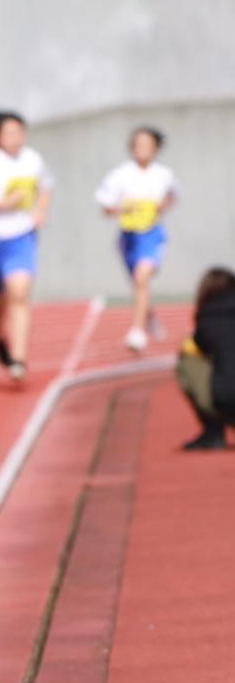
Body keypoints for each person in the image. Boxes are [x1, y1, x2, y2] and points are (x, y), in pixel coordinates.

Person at [0, 112, 53, 382]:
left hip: (22, 236)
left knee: (19, 291)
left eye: (18, 132)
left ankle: (18, 359)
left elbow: (45, 187)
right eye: (8, 133)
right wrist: (4, 204)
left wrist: (39, 211)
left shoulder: (33, 159)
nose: (14, 138)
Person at [95, 127, 178, 352]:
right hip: (128, 236)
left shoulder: (164, 174)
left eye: (148, 145)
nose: (143, 149)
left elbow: (172, 195)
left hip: (151, 233)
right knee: (138, 283)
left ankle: (137, 331)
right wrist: (122, 208)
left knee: (142, 278)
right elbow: (105, 206)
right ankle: (148, 314)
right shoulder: (120, 175)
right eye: (139, 144)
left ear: (156, 148)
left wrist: (163, 205)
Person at [176, 267, 235, 450]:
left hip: (226, 400)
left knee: (187, 360)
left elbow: (193, 348)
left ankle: (213, 431)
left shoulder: (207, 318)